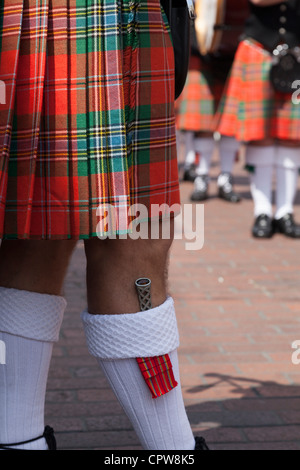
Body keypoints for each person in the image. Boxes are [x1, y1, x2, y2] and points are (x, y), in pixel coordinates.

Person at [0, 0, 209, 451]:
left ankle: (17, 441)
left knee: (36, 226)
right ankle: (173, 452)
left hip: (30, 17)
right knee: (133, 237)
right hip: (112, 16)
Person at [216, 0, 300, 238]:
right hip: (260, 49)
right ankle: (261, 211)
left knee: (292, 138)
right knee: (259, 136)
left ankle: (285, 211)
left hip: (297, 52)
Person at [176, 18, 241, 203]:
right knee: (202, 125)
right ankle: (202, 176)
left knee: (230, 124)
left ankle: (226, 177)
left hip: (233, 46)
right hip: (198, 48)